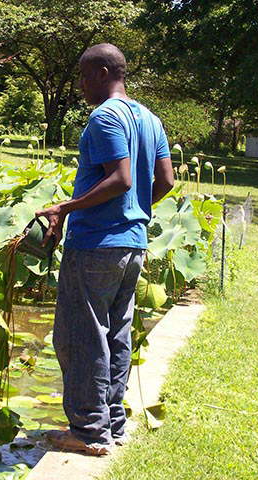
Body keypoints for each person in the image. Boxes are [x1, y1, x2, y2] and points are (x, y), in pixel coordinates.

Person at [35, 43, 174, 455]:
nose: (79, 86)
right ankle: (111, 422)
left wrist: (65, 207)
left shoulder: (105, 116)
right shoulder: (150, 119)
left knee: (80, 337)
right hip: (132, 245)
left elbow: (121, 178)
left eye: (82, 76)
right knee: (114, 335)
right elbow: (164, 181)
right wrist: (135, 213)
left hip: (97, 244)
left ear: (101, 72)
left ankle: (88, 431)